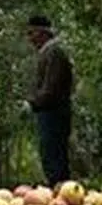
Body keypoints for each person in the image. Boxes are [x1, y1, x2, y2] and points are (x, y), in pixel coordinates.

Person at [25, 14, 74, 185]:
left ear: (42, 32)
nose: (30, 39)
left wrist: (32, 102)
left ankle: (61, 193)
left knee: (54, 157)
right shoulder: (48, 51)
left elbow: (51, 88)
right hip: (48, 112)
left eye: (32, 33)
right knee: (50, 155)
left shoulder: (54, 51)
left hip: (53, 112)